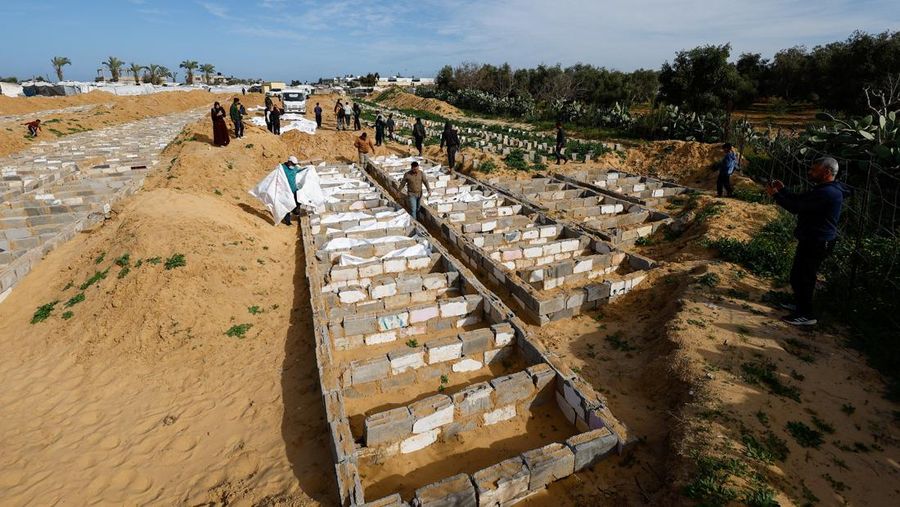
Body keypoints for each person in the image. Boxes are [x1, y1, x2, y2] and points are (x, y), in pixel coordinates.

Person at [765, 157, 850, 326]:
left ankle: (806, 314)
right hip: (811, 238)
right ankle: (799, 304)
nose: (810, 172)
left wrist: (776, 196)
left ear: (826, 172)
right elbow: (801, 198)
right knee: (798, 274)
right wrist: (784, 191)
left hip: (818, 241)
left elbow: (796, 207)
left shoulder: (828, 193)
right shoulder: (823, 189)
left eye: (814, 169)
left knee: (805, 277)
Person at [280, 156, 301, 225]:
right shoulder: (282, 168)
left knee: (298, 202)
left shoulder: (295, 168)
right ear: (289, 162)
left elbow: (300, 170)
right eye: (293, 164)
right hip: (286, 191)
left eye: (295, 164)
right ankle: (287, 221)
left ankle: (295, 211)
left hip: (294, 189)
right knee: (287, 206)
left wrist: (308, 168)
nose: (294, 166)